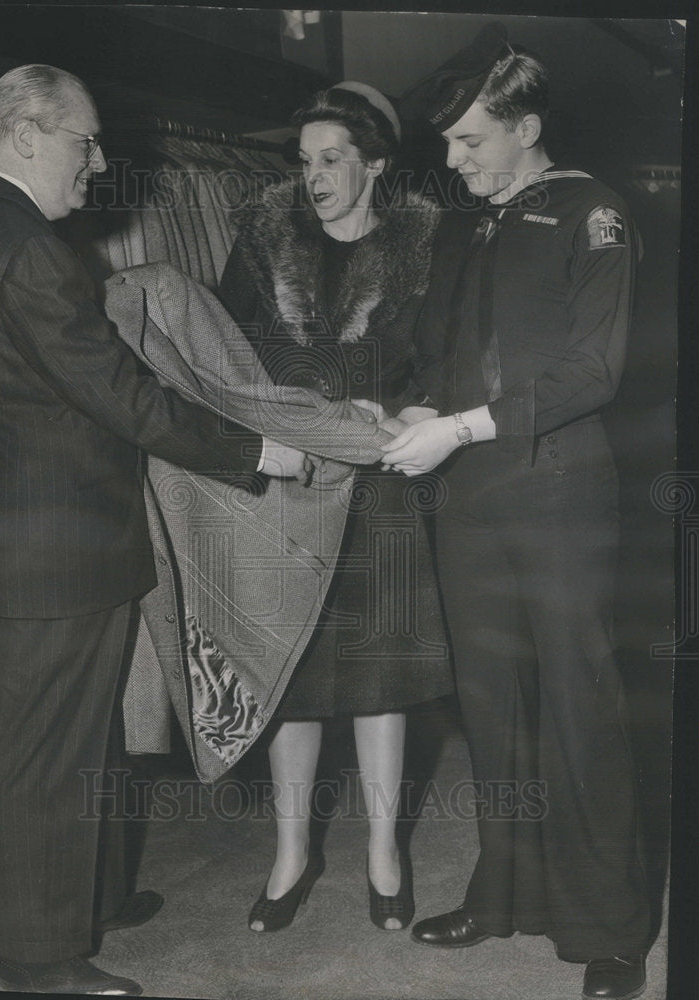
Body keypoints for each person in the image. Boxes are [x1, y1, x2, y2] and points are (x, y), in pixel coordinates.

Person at [0, 63, 305, 996]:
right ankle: (40, 957)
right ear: (24, 134)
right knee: (48, 756)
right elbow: (124, 397)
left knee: (69, 740)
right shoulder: (34, 251)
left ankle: (82, 895)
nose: (97, 163)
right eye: (83, 141)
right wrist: (258, 453)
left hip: (11, 543)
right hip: (58, 552)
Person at [383, 24, 650, 1000]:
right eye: (448, 145)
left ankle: (611, 925)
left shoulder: (595, 213)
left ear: (525, 126)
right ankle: (505, 891)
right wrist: (416, 404)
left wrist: (458, 427)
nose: (453, 163)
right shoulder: (466, 224)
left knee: (582, 712)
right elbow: (437, 354)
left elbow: (593, 370)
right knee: (493, 712)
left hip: (558, 497)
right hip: (469, 508)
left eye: (470, 143)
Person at [218, 83, 452, 934]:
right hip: (288, 483)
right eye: (305, 160)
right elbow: (222, 356)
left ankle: (384, 853)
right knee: (293, 678)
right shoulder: (260, 240)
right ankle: (292, 854)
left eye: (332, 160)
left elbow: (446, 359)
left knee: (379, 674)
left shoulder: (424, 246)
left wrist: (412, 412)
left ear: (376, 166)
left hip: (381, 484)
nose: (312, 176)